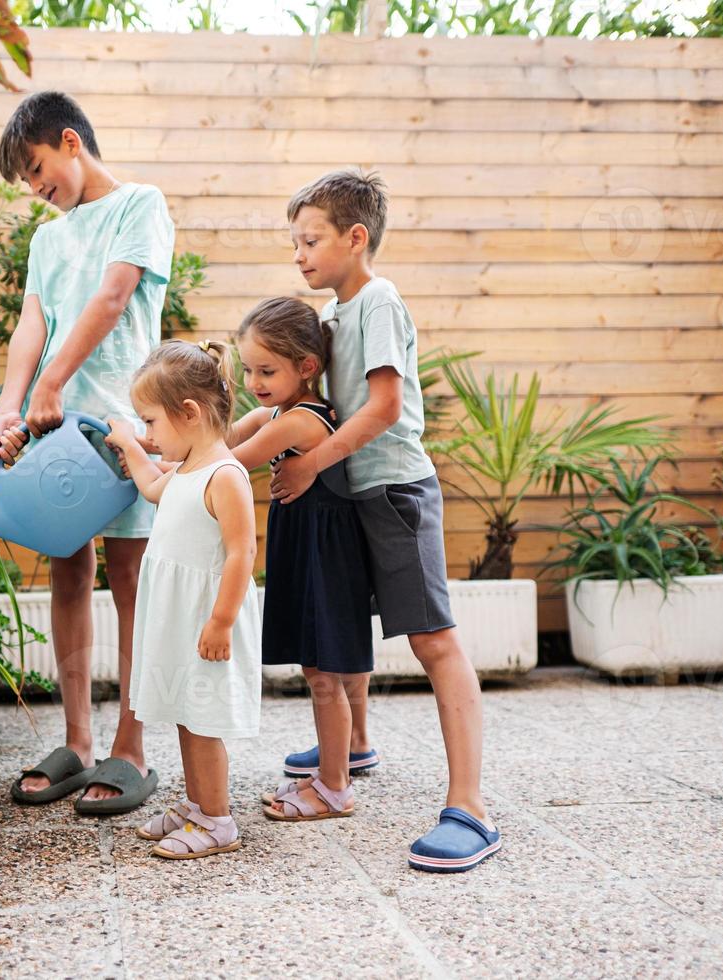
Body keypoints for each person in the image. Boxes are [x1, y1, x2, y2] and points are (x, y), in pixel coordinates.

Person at [270, 169, 502, 872]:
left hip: (395, 492)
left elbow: (383, 408)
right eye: (296, 242)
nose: (300, 254)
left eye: (311, 240)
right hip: (350, 492)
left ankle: (471, 809)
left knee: (433, 640)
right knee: (346, 623)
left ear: (355, 237)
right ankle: (356, 742)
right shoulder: (338, 313)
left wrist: (309, 464)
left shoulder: (378, 302)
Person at [0, 91, 174, 815]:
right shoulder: (47, 239)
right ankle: (78, 740)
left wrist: (54, 382)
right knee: (67, 573)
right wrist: (13, 407)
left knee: (131, 583)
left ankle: (131, 746)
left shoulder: (140, 205)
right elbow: (29, 326)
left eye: (40, 170)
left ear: (71, 142)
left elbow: (110, 298)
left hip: (127, 426)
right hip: (54, 427)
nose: (39, 190)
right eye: (29, 185)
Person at [105, 341, 261, 859]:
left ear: (189, 413)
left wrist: (221, 621)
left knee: (203, 720)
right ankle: (197, 806)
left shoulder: (225, 475)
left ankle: (217, 820)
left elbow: (242, 554)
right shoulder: (188, 468)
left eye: (151, 423)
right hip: (178, 619)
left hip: (207, 620)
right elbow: (151, 486)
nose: (149, 437)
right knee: (183, 712)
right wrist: (128, 443)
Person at [225, 297, 372, 822]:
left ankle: (334, 787)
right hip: (304, 546)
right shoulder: (278, 411)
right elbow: (223, 437)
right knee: (323, 668)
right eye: (247, 369)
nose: (254, 381)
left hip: (325, 557)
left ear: (306, 368)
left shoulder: (302, 421)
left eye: (267, 370)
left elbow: (230, 460)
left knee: (323, 671)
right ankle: (336, 767)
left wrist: (156, 467)